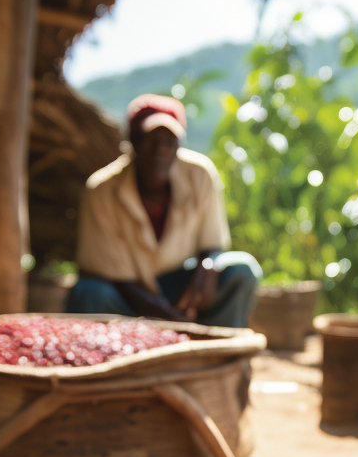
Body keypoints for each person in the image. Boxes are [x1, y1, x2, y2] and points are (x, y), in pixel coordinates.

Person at [67, 94, 261, 328]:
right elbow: (109, 274)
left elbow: (212, 245)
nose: (161, 149)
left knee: (241, 271)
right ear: (134, 142)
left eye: (169, 140)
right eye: (152, 139)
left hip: (179, 289)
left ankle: (216, 352)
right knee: (90, 292)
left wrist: (208, 265)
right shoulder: (101, 190)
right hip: (126, 297)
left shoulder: (200, 174)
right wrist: (170, 320)